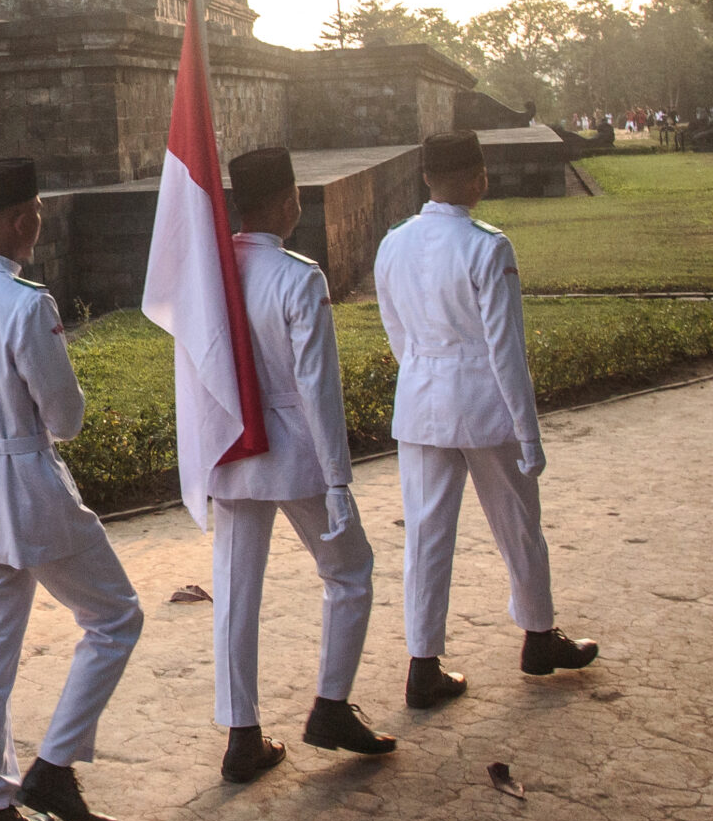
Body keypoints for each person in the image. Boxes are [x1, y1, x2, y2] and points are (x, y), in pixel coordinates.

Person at [0, 158, 143, 821]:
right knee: (115, 617)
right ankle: (54, 765)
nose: (40, 221)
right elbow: (67, 417)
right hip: (25, 478)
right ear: (21, 221)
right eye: (37, 211)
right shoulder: (26, 303)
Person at [374, 130, 598, 707]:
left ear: (425, 177)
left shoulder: (393, 243)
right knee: (518, 523)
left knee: (426, 536)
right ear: (480, 176)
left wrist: (426, 373)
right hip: (481, 403)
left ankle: (423, 664)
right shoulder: (487, 246)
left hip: (421, 400)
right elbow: (506, 349)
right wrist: (528, 431)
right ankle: (539, 634)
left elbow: (397, 332)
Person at [202, 148, 398, 783]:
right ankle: (331, 704)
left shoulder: (212, 272)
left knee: (235, 591)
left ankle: (241, 732)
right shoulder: (296, 275)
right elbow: (318, 387)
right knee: (350, 570)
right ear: (287, 202)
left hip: (231, 445)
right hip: (291, 449)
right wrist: (339, 479)